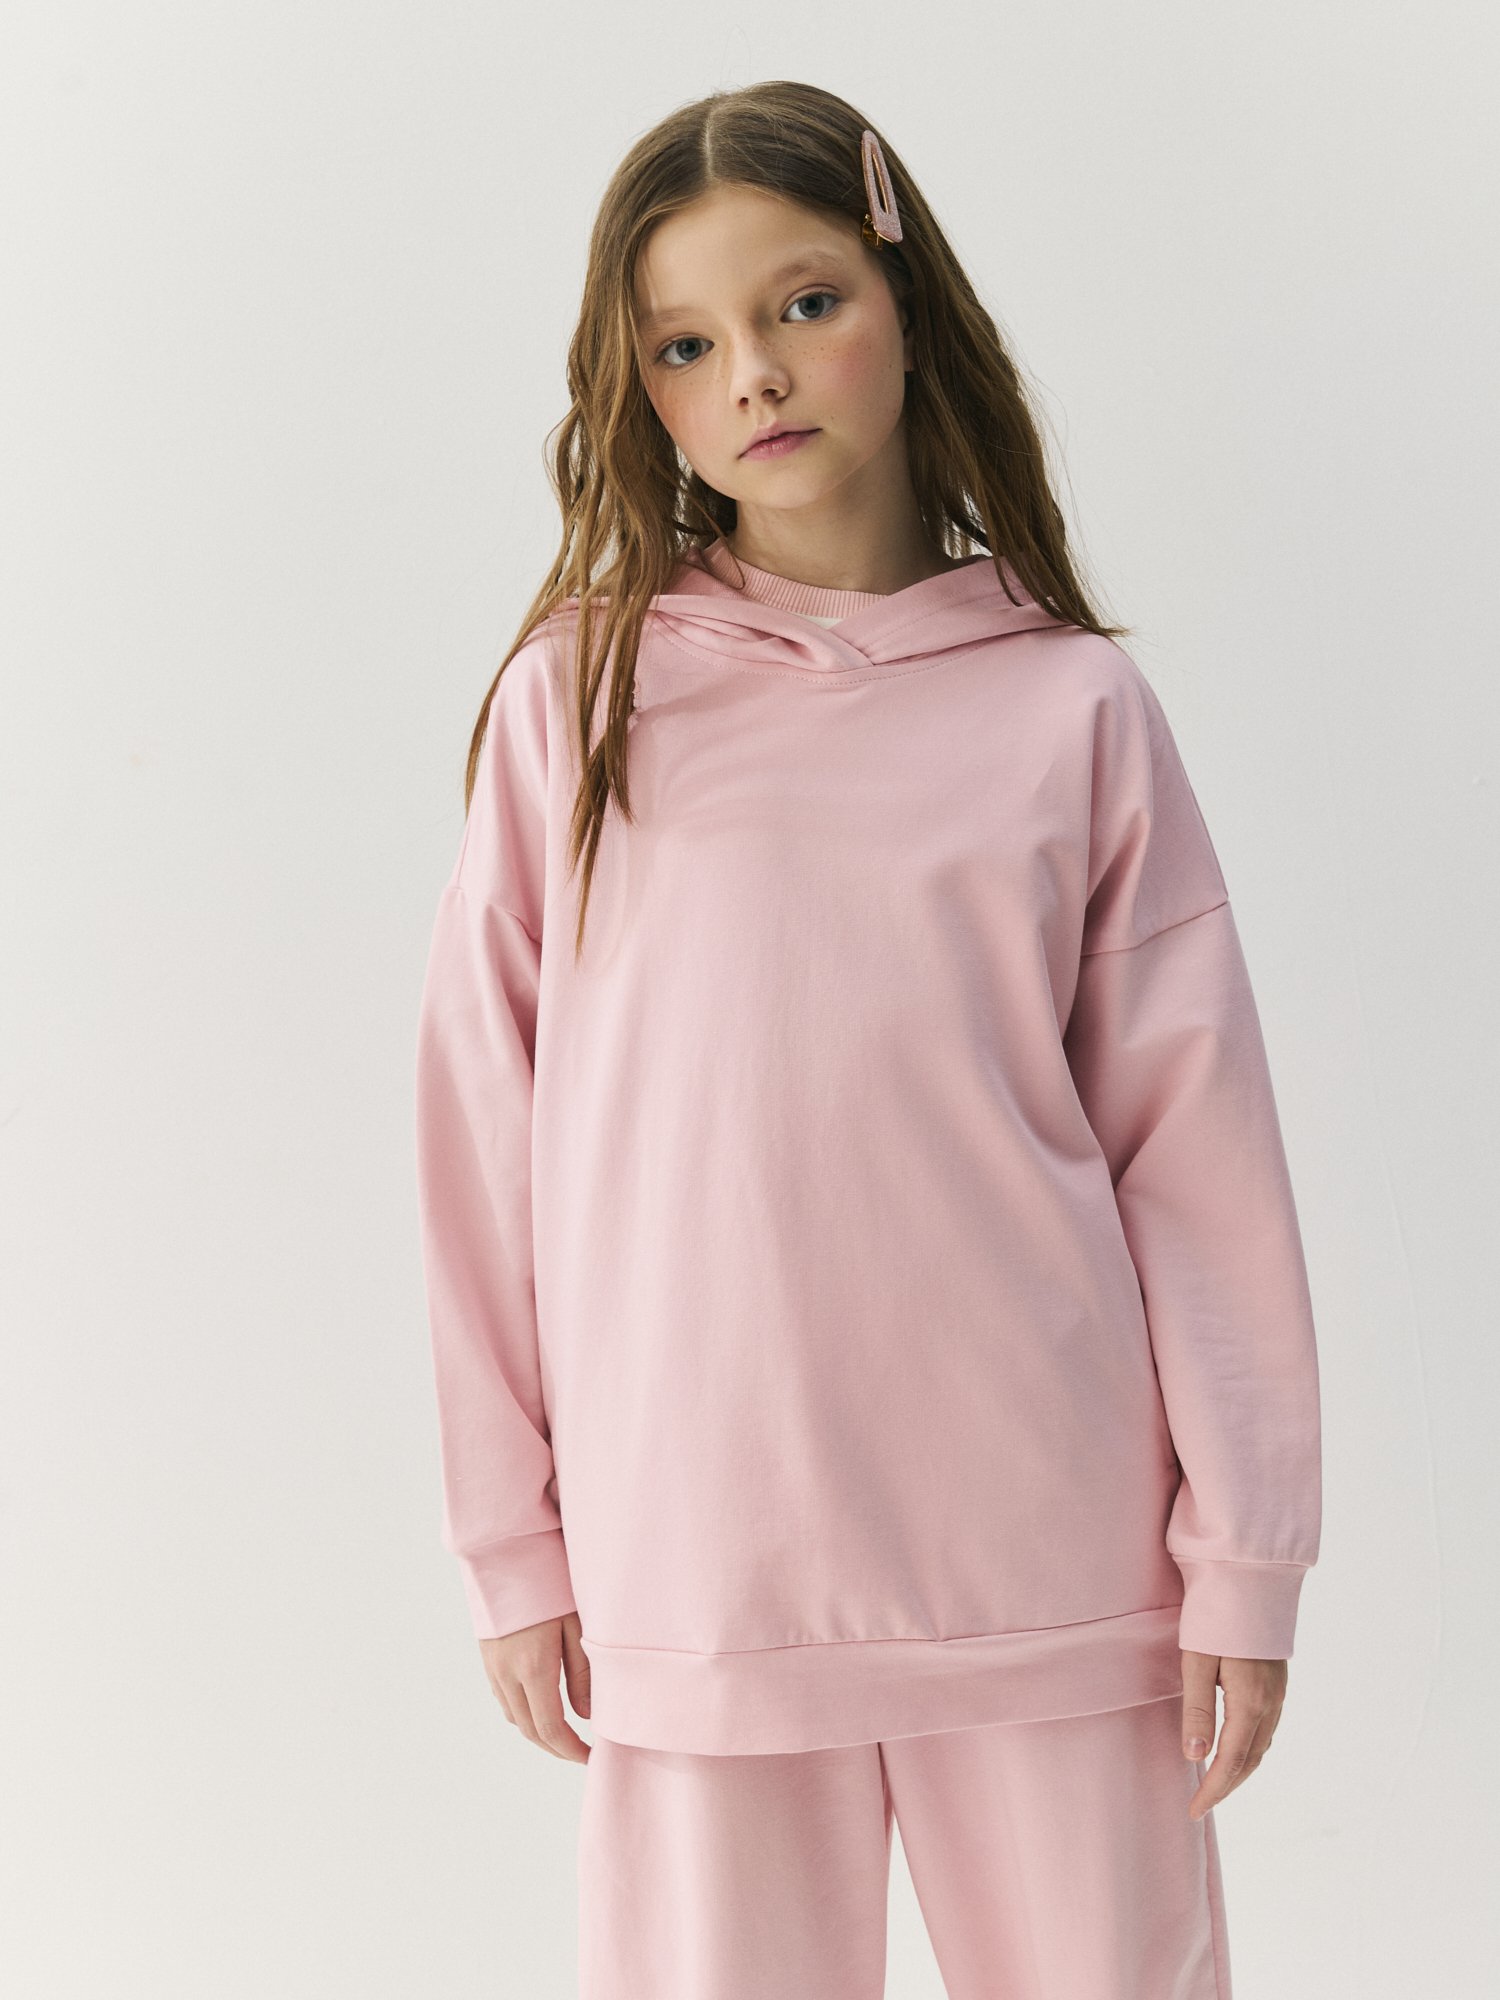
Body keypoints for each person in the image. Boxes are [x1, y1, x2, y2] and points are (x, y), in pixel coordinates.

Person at [413, 79, 1322, 2000]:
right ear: (642, 394)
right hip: (701, 1558)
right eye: (685, 344)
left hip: (1055, 1561)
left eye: (805, 302)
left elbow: (1196, 1152)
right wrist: (512, 1541)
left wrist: (1245, 1552)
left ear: (909, 304)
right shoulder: (579, 709)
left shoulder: (1073, 711)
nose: (753, 371)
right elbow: (483, 1144)